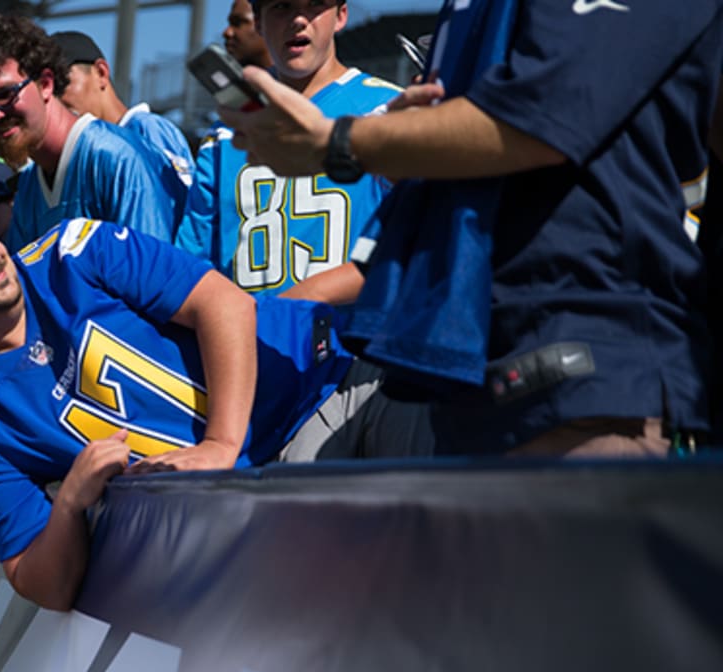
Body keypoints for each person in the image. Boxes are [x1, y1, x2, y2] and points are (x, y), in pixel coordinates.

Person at [0, 196, 430, 609]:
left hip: (333, 373)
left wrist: (221, 444)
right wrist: (67, 508)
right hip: (270, 483)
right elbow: (43, 584)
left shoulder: (73, 252)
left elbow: (224, 303)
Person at [219, 0, 723, 456]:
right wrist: (410, 152)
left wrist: (340, 141)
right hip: (472, 375)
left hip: (586, 369)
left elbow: (546, 116)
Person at [176, 0, 399, 303]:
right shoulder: (227, 135)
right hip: (249, 344)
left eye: (315, 5)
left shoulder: (389, 111)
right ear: (258, 21)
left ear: (341, 15)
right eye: (281, 6)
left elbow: (407, 257)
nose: (297, 19)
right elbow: (193, 267)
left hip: (349, 344)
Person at [0, 11, 186, 251]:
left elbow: (152, 286)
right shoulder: (30, 188)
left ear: (45, 84)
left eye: (5, 94)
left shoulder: (117, 159)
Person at [51, 30, 194, 187]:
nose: (54, 100)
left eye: (60, 84)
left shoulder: (147, 130)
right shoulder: (80, 153)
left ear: (101, 72)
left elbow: (180, 204)